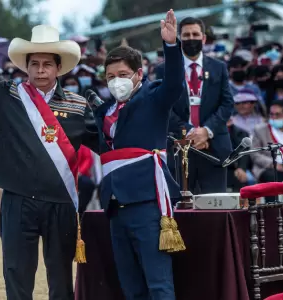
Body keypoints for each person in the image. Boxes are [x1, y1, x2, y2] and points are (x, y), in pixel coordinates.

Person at [0, 5, 97, 300]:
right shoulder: (8, 94)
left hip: (60, 203)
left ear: (58, 67)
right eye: (34, 63)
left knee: (61, 280)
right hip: (17, 201)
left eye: (46, 64)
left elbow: (106, 143)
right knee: (17, 277)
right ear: (26, 66)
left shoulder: (79, 106)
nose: (39, 70)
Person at [92, 9, 184, 300]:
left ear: (139, 74)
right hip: (115, 205)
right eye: (110, 76)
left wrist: (171, 46)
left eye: (122, 75)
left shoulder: (154, 97)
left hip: (147, 202)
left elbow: (174, 84)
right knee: (131, 288)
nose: (115, 81)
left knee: (158, 284)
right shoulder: (104, 111)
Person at [156, 17, 233, 194]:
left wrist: (206, 131)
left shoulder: (219, 68)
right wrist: (190, 132)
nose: (191, 38)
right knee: (180, 209)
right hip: (179, 148)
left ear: (204, 38)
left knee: (214, 207)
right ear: (180, 39)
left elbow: (227, 103)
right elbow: (164, 107)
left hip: (213, 148)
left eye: (195, 34)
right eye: (186, 35)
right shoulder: (165, 69)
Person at [251, 101, 283, 203]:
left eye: (277, 114)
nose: (273, 117)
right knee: (271, 178)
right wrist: (273, 163)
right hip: (271, 167)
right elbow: (255, 154)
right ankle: (273, 212)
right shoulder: (260, 130)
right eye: (271, 114)